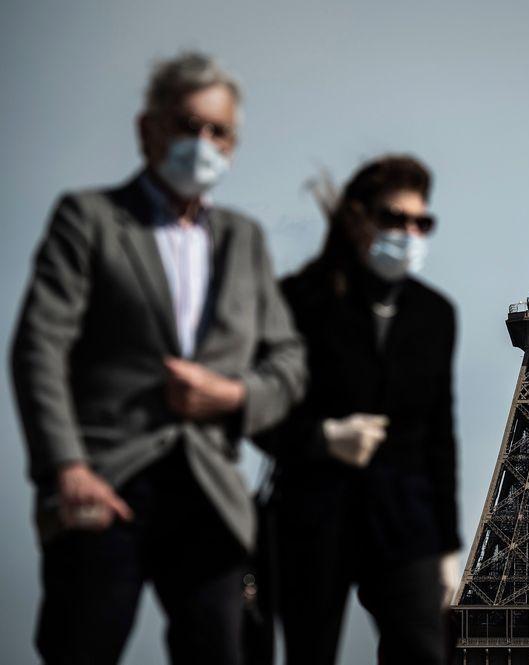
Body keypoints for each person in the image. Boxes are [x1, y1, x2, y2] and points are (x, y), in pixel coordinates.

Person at [9, 52, 306, 665]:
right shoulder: (89, 219)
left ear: (234, 144)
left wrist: (231, 396)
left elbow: (289, 362)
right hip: (106, 483)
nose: (203, 143)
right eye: (187, 125)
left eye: (218, 131)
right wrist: (67, 467)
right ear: (147, 129)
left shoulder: (244, 239)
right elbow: (40, 344)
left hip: (209, 493)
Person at [255, 155, 460, 665]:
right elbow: (258, 411)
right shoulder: (299, 300)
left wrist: (449, 548)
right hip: (314, 513)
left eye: (421, 222)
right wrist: (324, 438)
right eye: (395, 218)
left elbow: (440, 434)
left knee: (422, 653)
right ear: (356, 217)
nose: (409, 233)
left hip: (405, 522)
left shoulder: (434, 314)